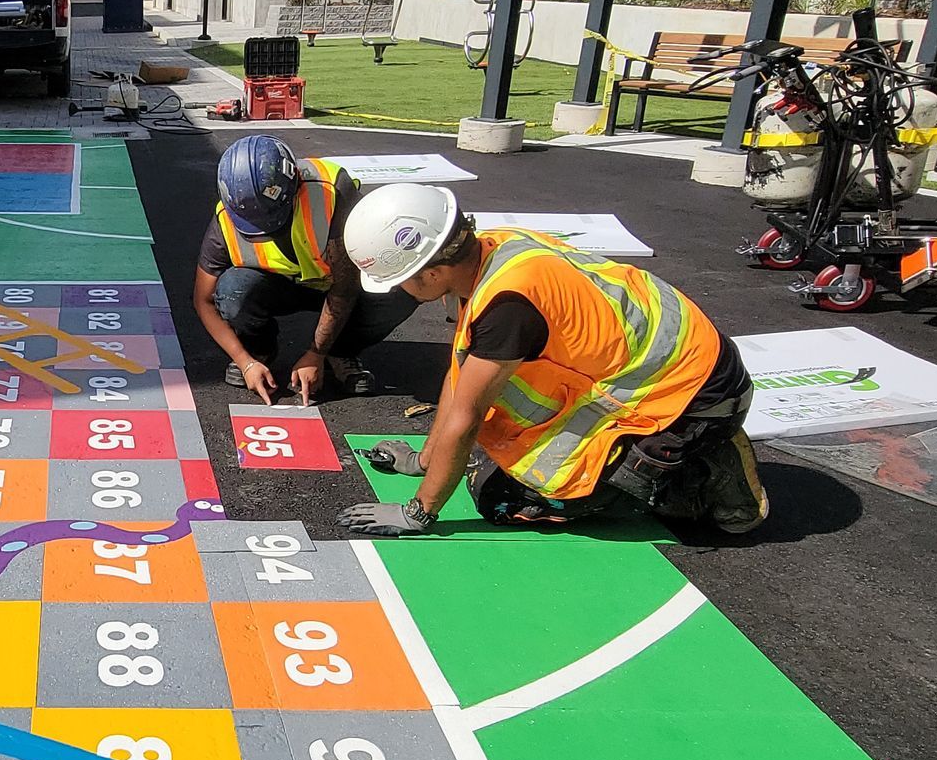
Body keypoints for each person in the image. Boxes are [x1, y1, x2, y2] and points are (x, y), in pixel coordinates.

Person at [335, 186, 769, 537]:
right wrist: (425, 461)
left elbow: (466, 417)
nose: (399, 291)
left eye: (399, 281)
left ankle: (702, 474)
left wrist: (419, 512)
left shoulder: (508, 305)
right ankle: (673, 452)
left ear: (431, 273)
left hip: (693, 399)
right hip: (671, 369)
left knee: (498, 500)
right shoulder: (494, 250)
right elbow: (462, 373)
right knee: (491, 463)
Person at [194, 135, 417, 404]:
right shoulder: (227, 217)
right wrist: (244, 361)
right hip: (280, 286)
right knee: (233, 289)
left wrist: (316, 353)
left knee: (404, 288)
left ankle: (340, 351)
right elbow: (203, 300)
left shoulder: (332, 192)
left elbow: (345, 288)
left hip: (340, 283)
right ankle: (259, 351)